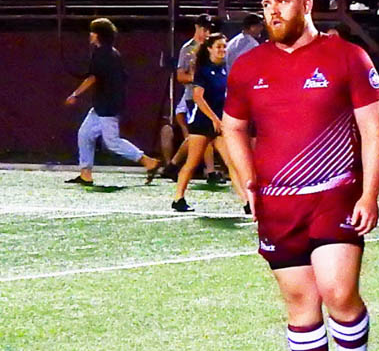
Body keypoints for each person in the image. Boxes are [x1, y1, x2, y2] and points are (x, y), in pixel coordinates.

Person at [221, 0, 379, 351]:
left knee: (338, 293)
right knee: (300, 302)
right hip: (278, 203)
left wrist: (370, 194)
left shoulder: (346, 56)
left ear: (307, 5)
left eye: (283, 2)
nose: (273, 11)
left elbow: (374, 128)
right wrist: (245, 180)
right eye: (267, 3)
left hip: (335, 194)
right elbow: (232, 126)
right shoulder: (249, 67)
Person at [63, 18, 162, 187]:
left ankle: (148, 161)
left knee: (112, 142)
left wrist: (75, 94)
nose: (90, 35)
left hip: (107, 105)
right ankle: (85, 174)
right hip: (103, 104)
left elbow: (92, 78)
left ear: (99, 35)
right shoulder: (112, 53)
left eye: (93, 32)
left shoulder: (102, 54)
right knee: (84, 134)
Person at [173, 33, 246, 213]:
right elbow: (198, 97)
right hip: (202, 123)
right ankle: (178, 198)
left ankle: (246, 202)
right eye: (219, 46)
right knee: (192, 163)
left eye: (224, 46)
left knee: (232, 163)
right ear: (209, 49)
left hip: (219, 124)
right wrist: (214, 118)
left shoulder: (224, 69)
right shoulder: (203, 70)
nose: (222, 50)